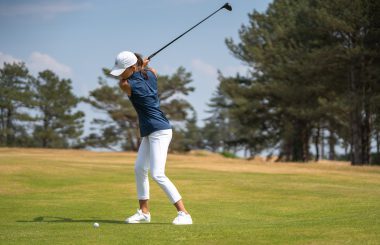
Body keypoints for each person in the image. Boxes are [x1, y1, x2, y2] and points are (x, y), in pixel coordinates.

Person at [110, 51, 192, 225]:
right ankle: (144, 212)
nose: (120, 74)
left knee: (157, 173)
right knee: (140, 168)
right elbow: (149, 71)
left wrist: (141, 65)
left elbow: (123, 83)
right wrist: (142, 67)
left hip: (160, 130)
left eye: (123, 70)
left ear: (132, 68)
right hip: (150, 130)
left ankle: (184, 214)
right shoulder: (151, 74)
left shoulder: (128, 85)